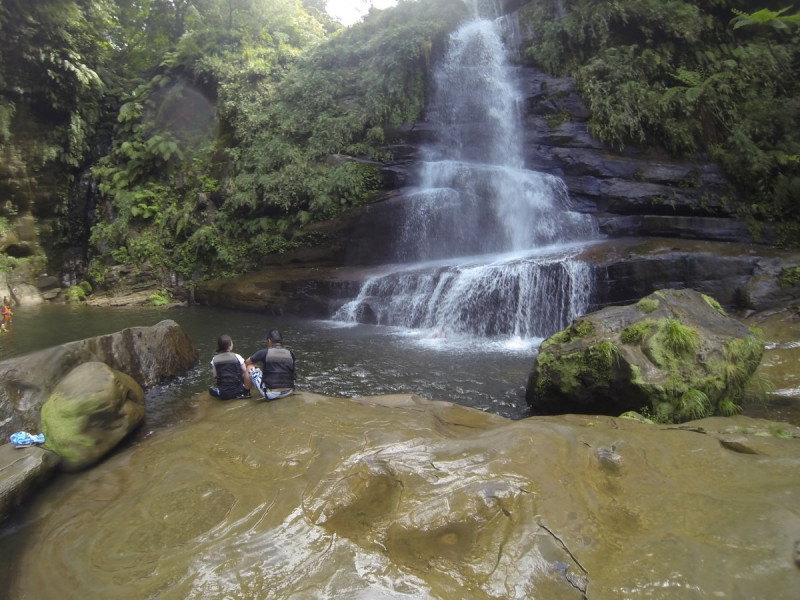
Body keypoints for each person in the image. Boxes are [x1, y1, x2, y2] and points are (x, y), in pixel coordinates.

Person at [245, 329, 296, 400]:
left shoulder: (264, 352)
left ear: (269, 340)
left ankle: (246, 393)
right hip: (289, 391)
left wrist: (255, 365)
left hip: (271, 394)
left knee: (250, 367)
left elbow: (247, 362)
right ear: (281, 341)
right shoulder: (291, 353)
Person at [209, 334, 251, 400]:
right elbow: (246, 372)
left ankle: (220, 392)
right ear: (230, 346)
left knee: (211, 389)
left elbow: (215, 376)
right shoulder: (237, 356)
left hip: (223, 394)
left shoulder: (214, 359)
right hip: (238, 391)